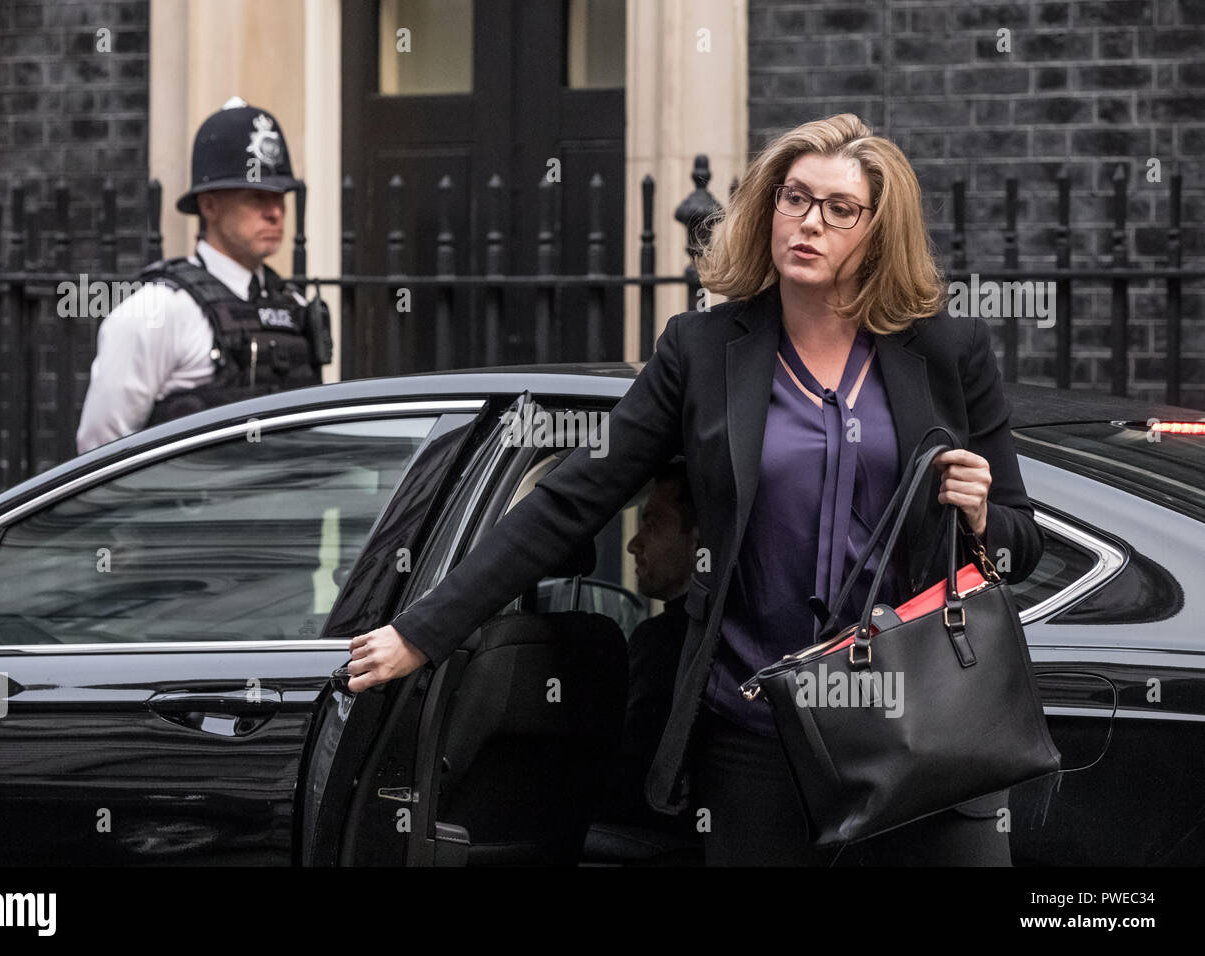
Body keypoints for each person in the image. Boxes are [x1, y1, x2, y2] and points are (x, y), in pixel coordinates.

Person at [343, 114, 1044, 866]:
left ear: (878, 231)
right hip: (759, 735)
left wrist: (979, 514)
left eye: (839, 209)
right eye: (794, 197)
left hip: (922, 729)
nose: (809, 222)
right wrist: (422, 631)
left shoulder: (944, 350)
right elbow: (574, 497)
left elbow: (1020, 540)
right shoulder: (703, 352)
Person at [76, 97, 331, 454]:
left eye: (281, 197)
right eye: (256, 197)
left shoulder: (295, 307)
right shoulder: (157, 312)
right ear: (209, 205)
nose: (276, 212)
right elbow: (101, 451)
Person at [605, 458, 698, 834]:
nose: (632, 543)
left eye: (652, 522)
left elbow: (633, 772)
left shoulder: (663, 641)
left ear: (698, 541)